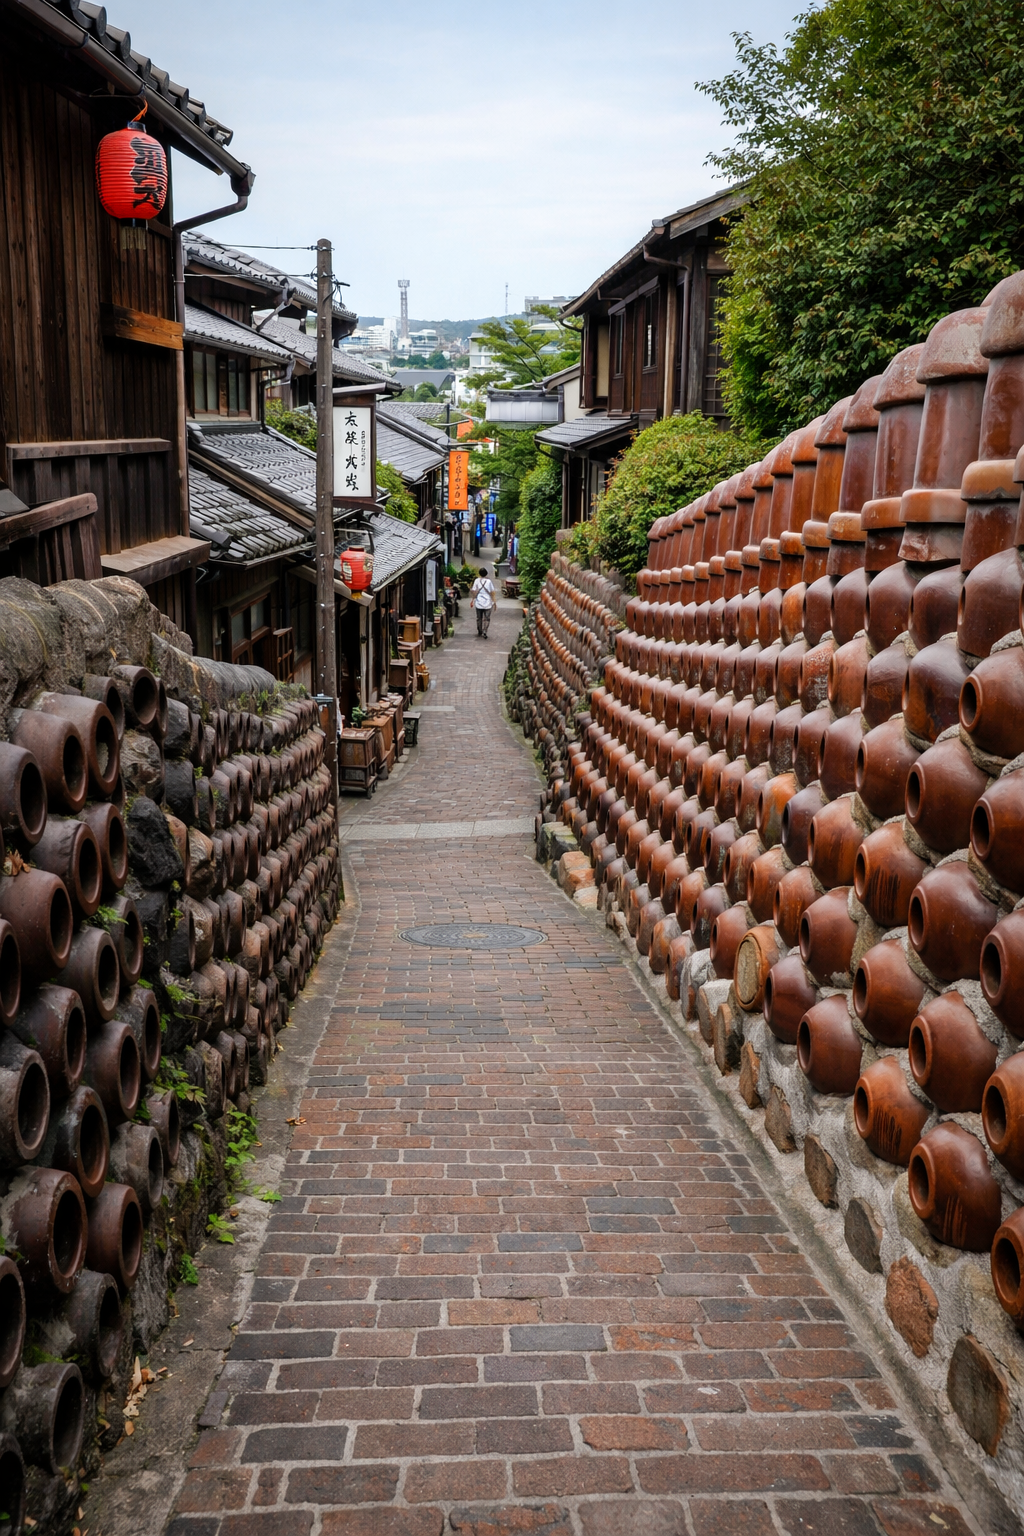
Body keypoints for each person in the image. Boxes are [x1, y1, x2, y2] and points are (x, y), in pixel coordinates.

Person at [470, 565, 496, 637]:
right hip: (488, 603)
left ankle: (479, 630)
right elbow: (492, 592)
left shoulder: (476, 581)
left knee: (479, 618)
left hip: (478, 602)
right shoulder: (489, 581)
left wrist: (472, 599)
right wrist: (494, 602)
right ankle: (485, 630)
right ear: (486, 573)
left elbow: (474, 591)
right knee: (487, 618)